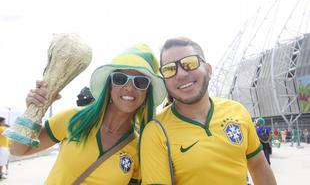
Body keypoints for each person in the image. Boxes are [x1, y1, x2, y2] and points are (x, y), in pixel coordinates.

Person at [9, 44, 167, 184]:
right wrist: (35, 110)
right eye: (120, 78)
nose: (129, 88)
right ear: (109, 85)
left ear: (147, 92)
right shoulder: (74, 118)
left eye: (140, 82)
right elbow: (19, 151)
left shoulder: (140, 147)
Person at [140, 37, 277, 185]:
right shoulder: (156, 131)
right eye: (169, 69)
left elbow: (258, 165)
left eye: (189, 63)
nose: (180, 74)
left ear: (208, 70)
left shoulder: (237, 111)